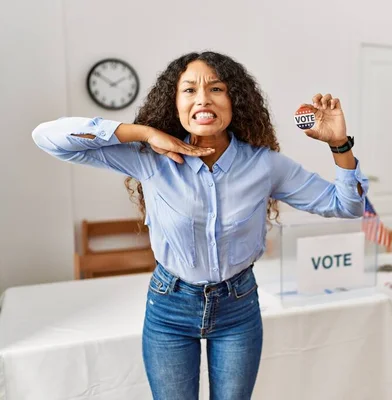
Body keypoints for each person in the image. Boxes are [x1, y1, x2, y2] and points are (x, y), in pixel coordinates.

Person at [32, 51, 369, 400]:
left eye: (216, 89)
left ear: (234, 100)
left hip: (238, 309)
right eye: (189, 90)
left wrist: (338, 144)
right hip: (169, 309)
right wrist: (145, 133)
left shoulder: (265, 166)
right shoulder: (150, 159)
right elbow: (47, 137)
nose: (203, 99)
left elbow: (346, 205)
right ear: (175, 102)